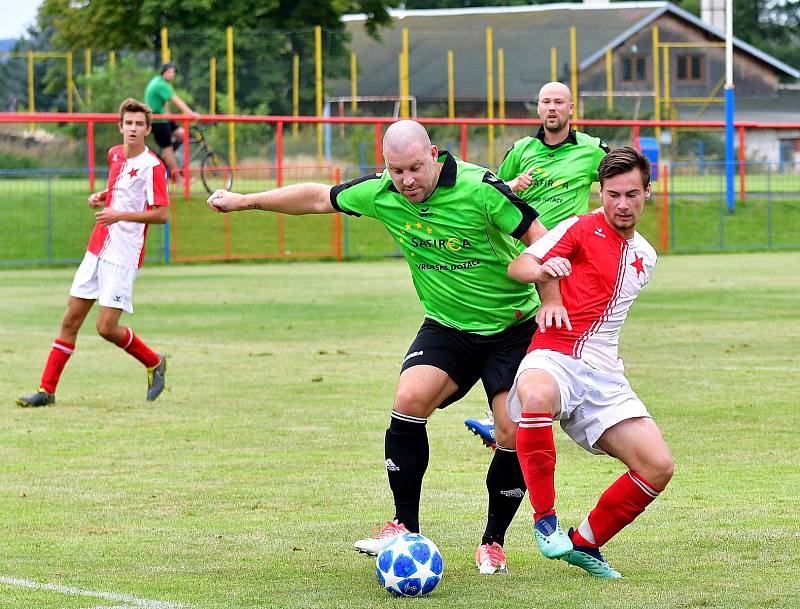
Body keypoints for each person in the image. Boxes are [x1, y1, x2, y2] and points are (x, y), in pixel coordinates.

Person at [206, 120, 565, 575]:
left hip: (512, 328)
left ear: (434, 154)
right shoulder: (382, 194)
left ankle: (493, 543)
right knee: (408, 399)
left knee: (512, 431)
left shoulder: (480, 188)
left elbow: (541, 235)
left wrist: (550, 297)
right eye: (397, 171)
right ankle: (404, 525)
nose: (408, 181)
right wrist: (244, 201)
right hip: (448, 327)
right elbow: (318, 197)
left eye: (416, 168)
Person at [506, 146, 674, 578]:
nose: (621, 204)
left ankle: (585, 543)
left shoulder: (647, 256)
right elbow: (520, 265)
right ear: (600, 192)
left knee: (657, 466)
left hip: (603, 374)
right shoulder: (579, 227)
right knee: (537, 395)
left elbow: (606, 310)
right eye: (612, 194)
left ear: (647, 193)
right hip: (554, 354)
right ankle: (545, 522)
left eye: (631, 194)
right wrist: (548, 279)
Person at [465, 81, 610, 450]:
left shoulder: (592, 150)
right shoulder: (521, 150)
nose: (552, 108)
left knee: (567, 330)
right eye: (545, 101)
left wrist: (603, 213)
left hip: (569, 258)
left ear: (571, 109)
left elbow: (622, 179)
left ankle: (540, 408)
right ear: (538, 109)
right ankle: (512, 415)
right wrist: (512, 182)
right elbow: (493, 191)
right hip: (529, 256)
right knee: (525, 333)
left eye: (559, 102)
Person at [16, 98, 170, 408]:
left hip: (124, 255)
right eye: (129, 123)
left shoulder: (153, 166)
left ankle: (154, 362)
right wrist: (103, 197)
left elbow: (161, 214)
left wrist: (118, 215)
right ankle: (46, 390)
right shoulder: (115, 155)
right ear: (120, 126)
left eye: (140, 124)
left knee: (105, 328)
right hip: (97, 248)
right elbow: (120, 193)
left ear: (148, 130)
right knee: (70, 320)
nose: (133, 129)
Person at [144, 62, 199, 179]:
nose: (172, 74)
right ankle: (178, 178)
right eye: (169, 72)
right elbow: (176, 100)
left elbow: (165, 104)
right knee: (167, 149)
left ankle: (164, 158)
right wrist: (191, 113)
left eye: (174, 72)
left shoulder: (160, 82)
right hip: (158, 121)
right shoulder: (161, 85)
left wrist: (170, 118)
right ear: (163, 73)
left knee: (183, 134)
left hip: (164, 119)